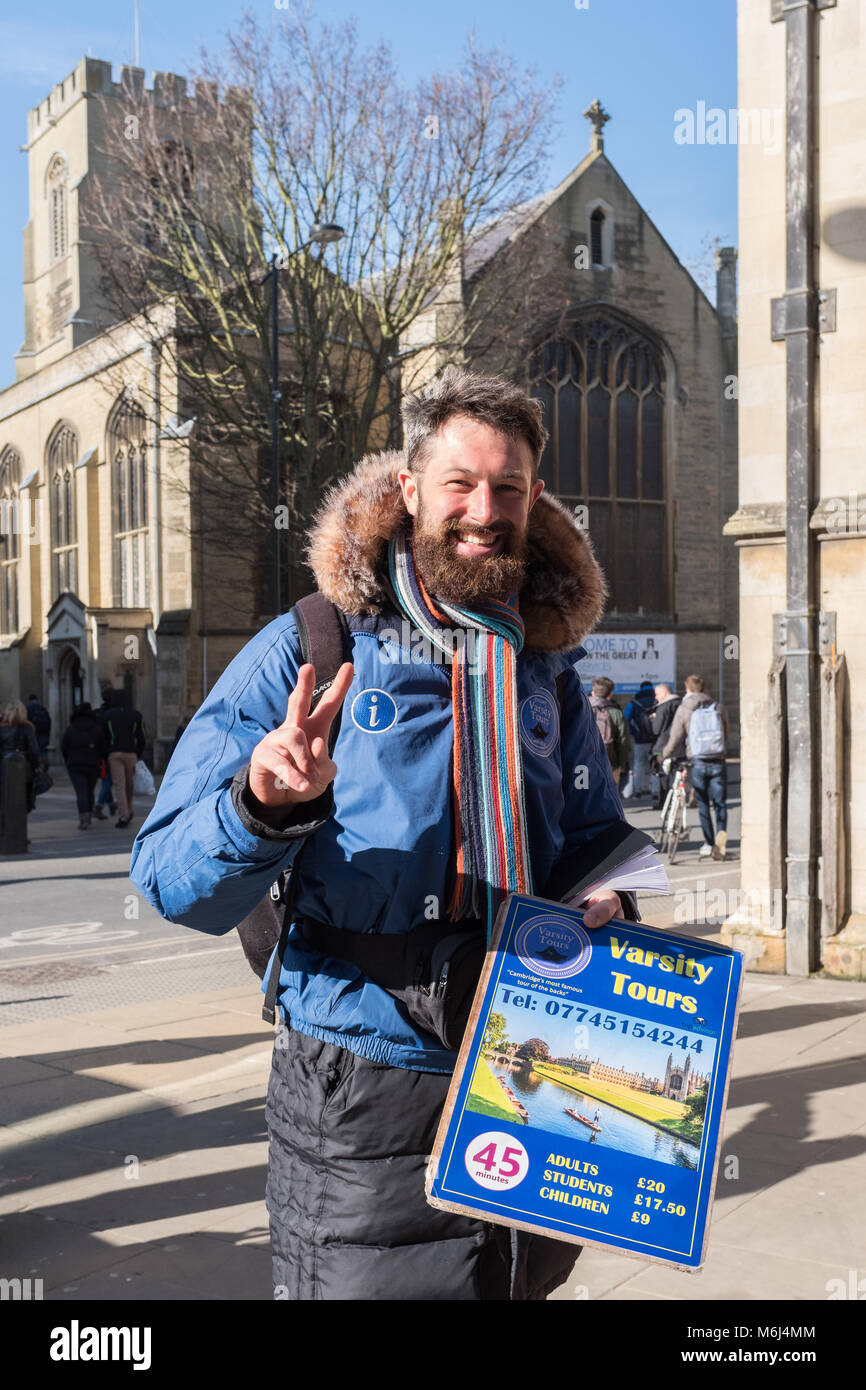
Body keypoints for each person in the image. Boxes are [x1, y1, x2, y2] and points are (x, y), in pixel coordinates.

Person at [130, 365, 640, 1303]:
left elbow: (594, 839)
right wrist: (262, 803)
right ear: (409, 490)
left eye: (508, 488)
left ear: (533, 498)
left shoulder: (547, 669)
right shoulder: (315, 643)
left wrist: (608, 904)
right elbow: (168, 878)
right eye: (459, 483)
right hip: (365, 1091)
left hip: (533, 1072)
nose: (483, 510)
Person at [662, 674, 729, 860]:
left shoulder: (685, 708)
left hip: (698, 761)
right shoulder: (718, 706)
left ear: (688, 689)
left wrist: (663, 756)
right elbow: (726, 731)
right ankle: (720, 838)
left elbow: (675, 737)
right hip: (718, 759)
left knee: (702, 803)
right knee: (720, 804)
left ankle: (708, 843)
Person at [61, 702, 109, 830]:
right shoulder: (96, 728)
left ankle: (83, 818)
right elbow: (103, 748)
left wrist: (68, 760)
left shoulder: (71, 728)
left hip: (75, 765)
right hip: (92, 764)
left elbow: (64, 747)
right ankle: (88, 815)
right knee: (89, 791)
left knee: (80, 792)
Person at [103, 688, 146, 828]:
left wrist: (106, 753)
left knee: (119, 785)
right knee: (129, 785)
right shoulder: (136, 715)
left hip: (115, 753)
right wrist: (138, 752)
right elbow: (141, 735)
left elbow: (104, 736)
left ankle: (124, 815)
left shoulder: (108, 715)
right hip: (131, 753)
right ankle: (129, 809)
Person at [588, 676, 631, 788]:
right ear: (610, 694)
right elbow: (623, 741)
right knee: (609, 796)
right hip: (609, 761)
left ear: (593, 692)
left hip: (582, 761)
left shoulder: (581, 710)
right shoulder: (616, 713)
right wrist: (621, 765)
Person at [0, 700, 41, 812]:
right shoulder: (27, 727)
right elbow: (34, 750)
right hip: (23, 769)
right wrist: (35, 766)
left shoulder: (1, 728)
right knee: (23, 800)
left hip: (3, 768)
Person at [649, 683, 682, 809]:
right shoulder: (682, 703)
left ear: (665, 693)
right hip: (680, 746)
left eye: (657, 694)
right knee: (677, 774)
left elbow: (656, 729)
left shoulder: (663, 707)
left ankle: (664, 802)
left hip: (663, 746)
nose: (656, 697)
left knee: (663, 775)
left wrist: (652, 719)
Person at [622, 681, 656, 799]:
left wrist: (633, 732)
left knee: (638, 764)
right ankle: (655, 791)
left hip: (639, 740)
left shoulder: (634, 702)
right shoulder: (657, 701)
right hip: (655, 741)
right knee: (655, 765)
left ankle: (638, 791)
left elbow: (625, 718)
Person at [92, 688, 118, 819]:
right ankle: (99, 804)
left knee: (106, 779)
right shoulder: (111, 714)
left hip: (98, 751)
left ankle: (111, 803)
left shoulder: (98, 713)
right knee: (108, 780)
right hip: (109, 750)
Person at [26, 693, 51, 761]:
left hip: (33, 730)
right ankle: (44, 759)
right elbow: (48, 720)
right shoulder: (42, 707)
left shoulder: (28, 707)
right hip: (43, 731)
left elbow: (27, 719)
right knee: (42, 747)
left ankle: (38, 763)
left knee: (34, 748)